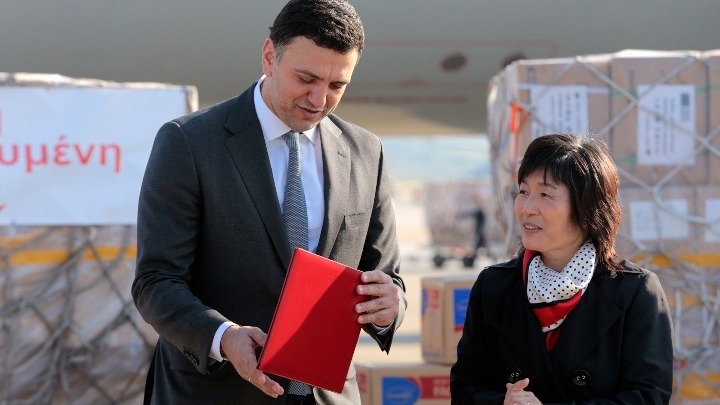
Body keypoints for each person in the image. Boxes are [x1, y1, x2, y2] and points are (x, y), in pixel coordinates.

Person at [131, 1, 406, 404]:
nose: (319, 99)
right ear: (269, 57)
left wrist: (389, 306)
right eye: (306, 78)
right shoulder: (189, 143)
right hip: (214, 392)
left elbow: (386, 278)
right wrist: (223, 337)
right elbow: (155, 281)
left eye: (337, 86)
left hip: (325, 395)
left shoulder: (367, 152)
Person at [450, 134, 673, 404]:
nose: (527, 208)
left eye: (545, 194)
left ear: (588, 207)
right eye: (523, 192)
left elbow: (649, 396)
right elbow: (465, 388)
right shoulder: (493, 286)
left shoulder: (635, 291)